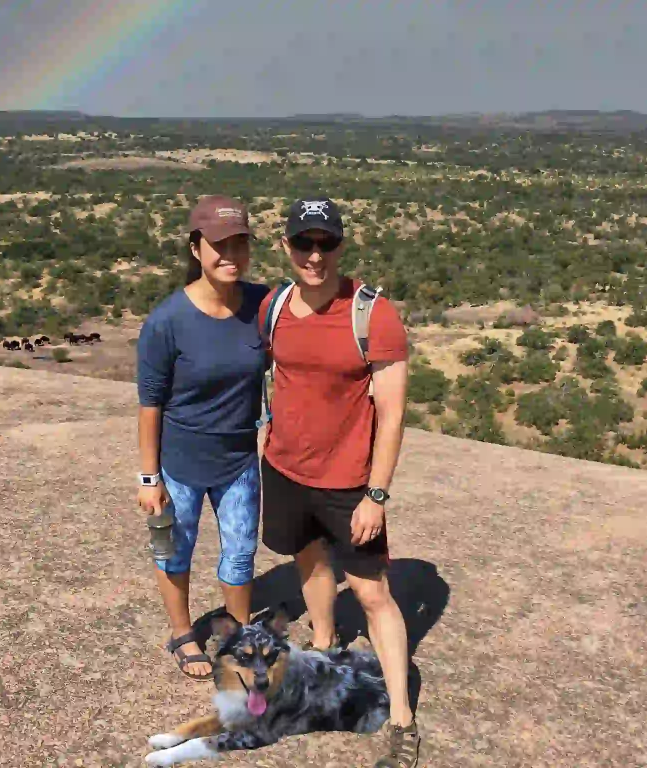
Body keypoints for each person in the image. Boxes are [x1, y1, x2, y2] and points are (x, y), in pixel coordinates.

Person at [258, 198, 420, 767]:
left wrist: (376, 494)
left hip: (349, 481)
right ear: (287, 248)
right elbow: (276, 379)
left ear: (341, 248)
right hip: (284, 469)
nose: (315, 255)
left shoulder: (373, 314)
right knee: (309, 562)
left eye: (326, 243)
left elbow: (393, 414)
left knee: (373, 592)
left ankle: (401, 718)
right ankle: (323, 646)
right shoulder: (274, 306)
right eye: (304, 243)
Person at [136, 195, 269, 681]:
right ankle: (182, 633)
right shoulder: (167, 321)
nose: (230, 254)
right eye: (218, 244)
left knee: (240, 551)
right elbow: (150, 405)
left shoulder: (263, 305)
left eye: (239, 243)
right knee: (174, 549)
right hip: (180, 462)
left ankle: (237, 635)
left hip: (238, 459)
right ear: (196, 248)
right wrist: (150, 478)